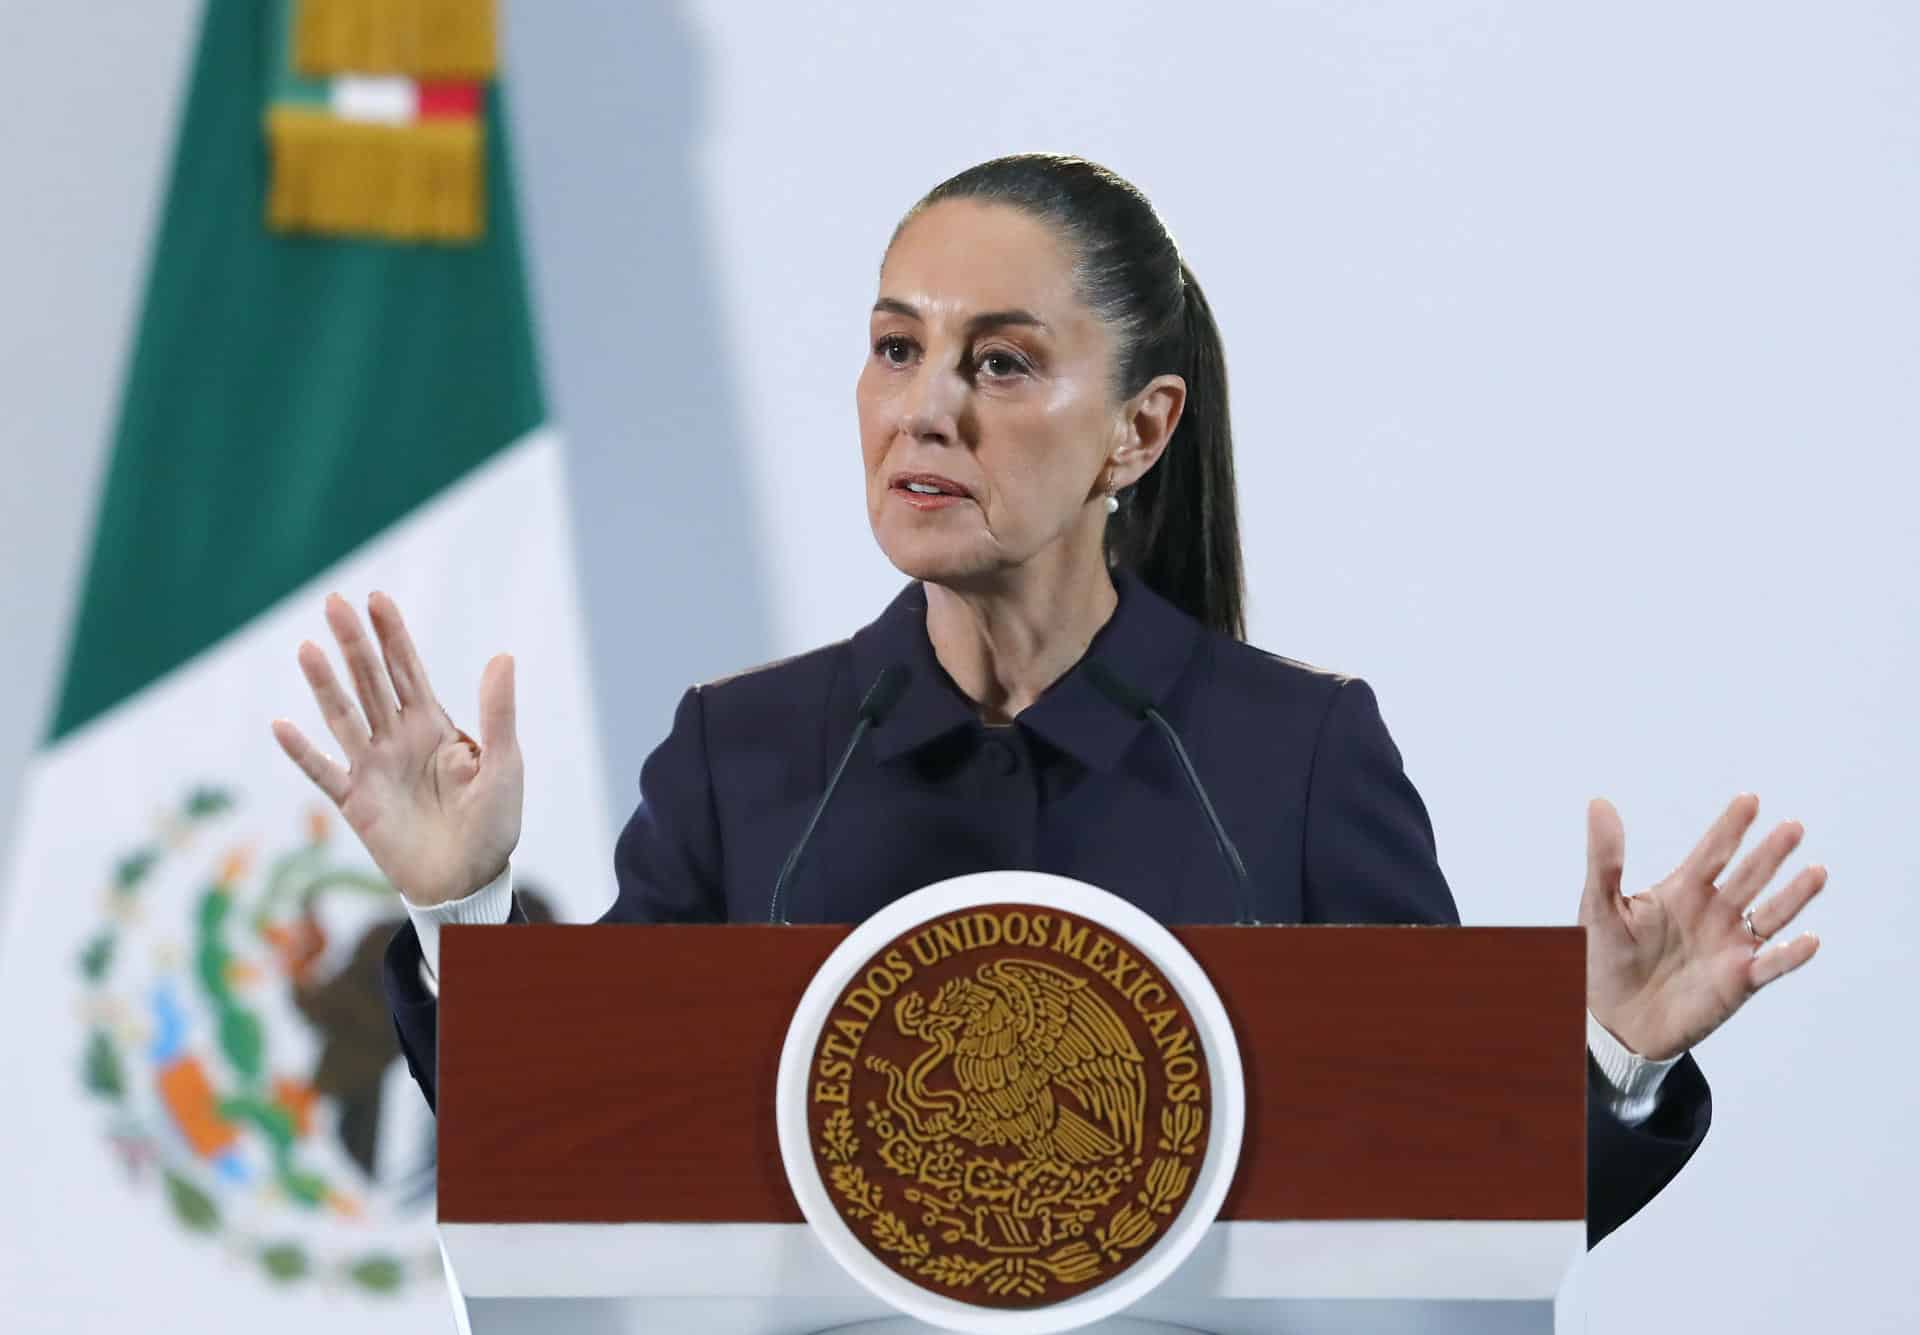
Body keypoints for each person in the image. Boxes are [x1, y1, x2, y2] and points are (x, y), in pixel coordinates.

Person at [270, 154, 1826, 1249]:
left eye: (1002, 364)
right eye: (897, 349)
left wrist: (1608, 1054)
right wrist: (466, 915)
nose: (925, 406)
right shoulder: (742, 759)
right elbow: (570, 1161)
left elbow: (1436, 1206)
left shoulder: (1293, 757)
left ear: (1138, 433)